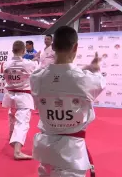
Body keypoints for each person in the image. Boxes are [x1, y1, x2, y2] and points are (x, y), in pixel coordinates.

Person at [30, 26, 105, 177]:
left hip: (46, 149)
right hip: (71, 154)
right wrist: (94, 68)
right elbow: (83, 79)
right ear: (75, 46)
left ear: (53, 46)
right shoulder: (86, 80)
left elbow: (62, 76)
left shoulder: (37, 78)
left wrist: (88, 69)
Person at [2, 40, 39, 160]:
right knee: (22, 121)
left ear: (12, 50)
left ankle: (11, 135)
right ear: (23, 51)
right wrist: (36, 58)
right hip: (23, 96)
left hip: (10, 95)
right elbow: (35, 68)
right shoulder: (28, 64)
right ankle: (17, 151)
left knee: (12, 115)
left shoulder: (6, 64)